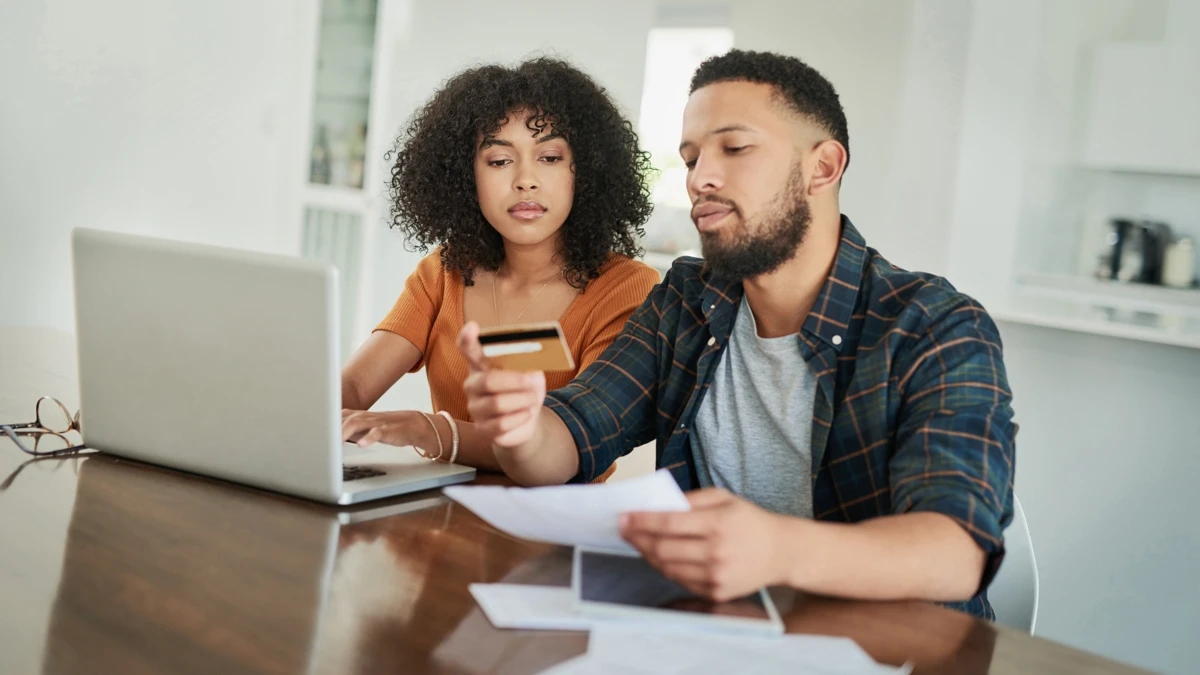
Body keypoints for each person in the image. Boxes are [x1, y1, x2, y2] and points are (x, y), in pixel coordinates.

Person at [457, 49, 1016, 619]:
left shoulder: (935, 325)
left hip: (884, 650)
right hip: (714, 636)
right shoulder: (688, 300)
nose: (701, 179)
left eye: (735, 148)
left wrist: (776, 549)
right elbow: (571, 438)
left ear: (822, 168)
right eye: (691, 157)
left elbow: (955, 552)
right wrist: (522, 430)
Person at [340, 57, 661, 481]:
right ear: (463, 175)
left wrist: (433, 430)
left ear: (583, 172)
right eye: (498, 161)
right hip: (436, 521)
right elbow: (357, 387)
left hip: (554, 531)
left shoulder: (628, 287)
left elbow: (571, 440)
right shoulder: (444, 272)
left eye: (549, 157)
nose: (525, 180)